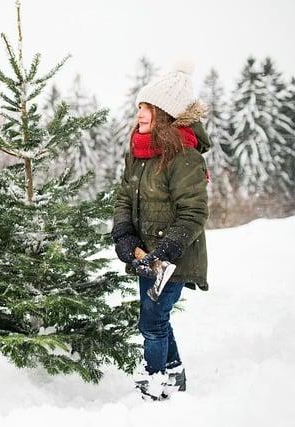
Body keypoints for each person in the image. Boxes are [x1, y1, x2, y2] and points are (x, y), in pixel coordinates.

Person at [111, 63, 210, 401]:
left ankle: (155, 380)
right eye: (139, 106)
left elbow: (194, 212)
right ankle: (174, 373)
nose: (138, 113)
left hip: (173, 259)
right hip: (146, 258)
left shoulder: (185, 157)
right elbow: (124, 195)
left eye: (146, 108)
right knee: (157, 318)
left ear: (165, 114)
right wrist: (125, 235)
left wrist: (164, 252)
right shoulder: (139, 153)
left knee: (152, 322)